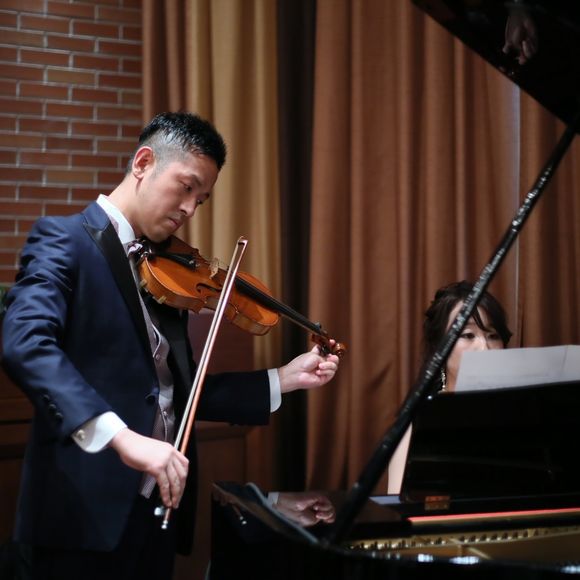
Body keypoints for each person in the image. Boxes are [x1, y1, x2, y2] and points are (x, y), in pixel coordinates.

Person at [1, 111, 340, 580]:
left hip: (156, 515)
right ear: (143, 163)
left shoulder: (165, 269)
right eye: (186, 187)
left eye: (200, 199)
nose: (189, 209)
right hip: (81, 519)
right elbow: (25, 342)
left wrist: (283, 379)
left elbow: (175, 391)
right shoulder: (63, 240)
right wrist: (122, 438)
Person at [387, 280, 512, 494]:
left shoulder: (517, 414)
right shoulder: (417, 422)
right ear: (439, 347)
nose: (485, 348)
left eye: (493, 335)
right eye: (468, 335)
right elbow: (399, 504)